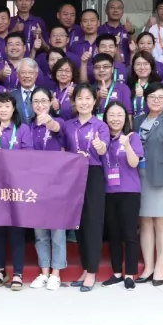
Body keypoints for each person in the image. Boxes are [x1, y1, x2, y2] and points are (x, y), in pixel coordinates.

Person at [134, 83, 163, 285]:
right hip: (139, 176)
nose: (156, 100)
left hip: (162, 176)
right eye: (152, 96)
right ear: (145, 99)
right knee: (145, 222)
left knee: (162, 223)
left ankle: (160, 266)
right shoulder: (138, 120)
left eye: (160, 97)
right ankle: (149, 266)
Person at [63, 86, 110, 291]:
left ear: (94, 101)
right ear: (74, 101)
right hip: (73, 175)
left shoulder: (100, 125)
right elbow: (64, 149)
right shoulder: (68, 125)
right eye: (80, 98)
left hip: (93, 174)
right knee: (79, 223)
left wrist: (99, 147)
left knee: (93, 223)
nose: (84, 102)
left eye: (88, 98)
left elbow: (104, 149)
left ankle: (92, 272)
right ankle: (85, 268)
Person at [0, 91, 32, 291]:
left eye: (7, 106)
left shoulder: (23, 129)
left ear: (14, 109)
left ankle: (18, 274)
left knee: (16, 231)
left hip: (16, 186)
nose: (3, 109)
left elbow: (29, 156)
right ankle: (0, 272)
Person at [23, 88, 66, 290]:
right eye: (36, 101)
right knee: (40, 232)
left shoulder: (59, 122)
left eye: (43, 101)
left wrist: (49, 121)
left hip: (57, 183)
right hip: (35, 184)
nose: (40, 105)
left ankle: (56, 274)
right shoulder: (27, 127)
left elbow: (57, 128)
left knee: (57, 230)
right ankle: (44, 272)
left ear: (50, 103)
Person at [100, 101, 144, 290]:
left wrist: (127, 145)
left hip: (129, 191)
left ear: (126, 118)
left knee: (130, 234)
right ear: (105, 118)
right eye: (111, 115)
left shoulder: (132, 137)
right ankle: (117, 273)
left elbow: (134, 163)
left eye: (119, 115)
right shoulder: (102, 139)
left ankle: (130, 274)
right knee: (114, 234)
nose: (115, 119)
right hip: (109, 191)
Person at [127, 51, 163, 120]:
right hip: (133, 122)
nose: (142, 67)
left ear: (151, 66)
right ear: (133, 67)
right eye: (138, 64)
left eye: (145, 64)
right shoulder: (128, 85)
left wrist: (144, 94)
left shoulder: (160, 85)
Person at [98, 0, 135, 64]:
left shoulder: (127, 29)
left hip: (126, 67)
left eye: (119, 8)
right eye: (112, 7)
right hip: (105, 66)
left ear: (122, 12)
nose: (115, 10)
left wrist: (131, 32)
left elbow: (135, 47)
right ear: (106, 11)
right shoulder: (99, 30)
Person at [8, 58, 43, 124]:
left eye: (30, 72)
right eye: (23, 72)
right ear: (17, 75)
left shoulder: (44, 94)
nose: (27, 76)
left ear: (36, 75)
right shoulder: (11, 96)